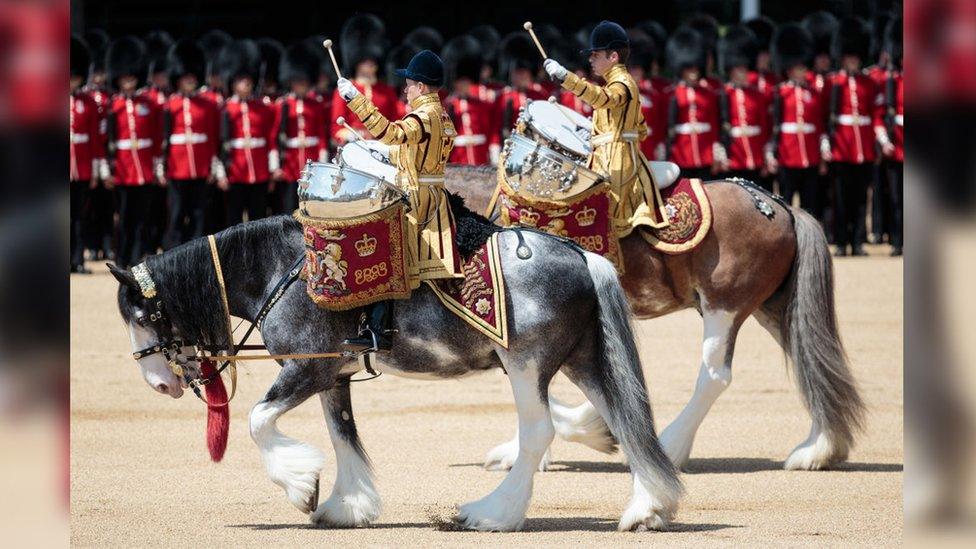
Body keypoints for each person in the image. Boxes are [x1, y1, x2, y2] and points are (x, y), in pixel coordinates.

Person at [336, 49, 462, 352]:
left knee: (381, 249)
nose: (405, 88)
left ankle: (378, 329)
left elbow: (391, 133)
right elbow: (412, 151)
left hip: (415, 199)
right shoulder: (441, 116)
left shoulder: (425, 115)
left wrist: (356, 100)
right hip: (429, 192)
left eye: (409, 83)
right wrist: (373, 149)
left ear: (420, 86)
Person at [544, 20, 669, 236]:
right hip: (608, 154)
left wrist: (566, 77)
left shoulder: (622, 83)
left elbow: (603, 99)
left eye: (596, 55)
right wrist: (597, 134)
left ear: (613, 57)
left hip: (617, 161)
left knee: (608, 220)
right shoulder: (617, 82)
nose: (590, 59)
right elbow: (640, 128)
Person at [104, 36, 163, 269]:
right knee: (124, 217)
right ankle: (122, 256)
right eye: (124, 79)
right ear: (118, 80)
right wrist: (107, 169)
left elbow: (156, 136)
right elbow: (106, 140)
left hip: (144, 168)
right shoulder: (114, 106)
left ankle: (138, 255)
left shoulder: (147, 103)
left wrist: (157, 165)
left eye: (131, 78)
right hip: (123, 169)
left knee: (142, 217)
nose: (128, 82)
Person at [828, 17, 881, 257]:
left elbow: (876, 113)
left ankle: (858, 241)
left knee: (861, 200)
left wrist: (879, 137)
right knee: (840, 199)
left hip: (864, 148)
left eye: (855, 57)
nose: (852, 61)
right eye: (848, 57)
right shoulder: (833, 83)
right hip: (842, 147)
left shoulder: (868, 83)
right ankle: (841, 242)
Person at [160, 39, 220, 248]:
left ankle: (197, 251)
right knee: (176, 214)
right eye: (186, 78)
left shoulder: (207, 105)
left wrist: (213, 165)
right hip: (177, 168)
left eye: (192, 77)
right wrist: (162, 166)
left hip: (201, 167)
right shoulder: (170, 105)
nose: (190, 81)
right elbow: (165, 139)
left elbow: (212, 137)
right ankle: (172, 250)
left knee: (199, 214)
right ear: (177, 79)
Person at [766, 23, 829, 218]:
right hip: (787, 154)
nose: (800, 71)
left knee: (809, 201)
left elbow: (818, 125)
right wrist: (771, 153)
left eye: (802, 67)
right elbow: (773, 125)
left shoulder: (813, 93)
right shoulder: (780, 93)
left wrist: (821, 153)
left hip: (809, 155)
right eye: (796, 67)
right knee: (785, 201)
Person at [218, 39, 278, 225]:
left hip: (259, 171)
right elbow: (220, 142)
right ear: (233, 83)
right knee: (234, 219)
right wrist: (221, 172)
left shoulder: (262, 107)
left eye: (248, 80)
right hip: (236, 171)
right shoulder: (226, 109)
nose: (246, 83)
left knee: (258, 218)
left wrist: (272, 167)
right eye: (241, 80)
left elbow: (270, 139)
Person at [273, 42, 329, 214]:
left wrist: (323, 163)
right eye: (298, 82)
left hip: (311, 160)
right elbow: (274, 137)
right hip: (290, 164)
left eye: (304, 82)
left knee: (312, 206)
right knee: (289, 206)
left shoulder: (316, 104)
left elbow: (321, 136)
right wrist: (275, 166)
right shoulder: (283, 105)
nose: (302, 86)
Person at [330, 14, 399, 147]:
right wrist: (352, 135)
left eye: (372, 59)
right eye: (366, 60)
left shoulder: (387, 91)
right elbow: (336, 129)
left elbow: (395, 122)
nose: (371, 62)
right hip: (355, 147)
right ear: (357, 61)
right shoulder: (345, 90)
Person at [665, 26, 723, 180]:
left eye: (696, 68)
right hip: (682, 152)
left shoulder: (709, 93)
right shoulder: (673, 93)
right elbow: (669, 127)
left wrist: (716, 149)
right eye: (689, 68)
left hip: (705, 151)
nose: (694, 72)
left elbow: (714, 124)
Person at [717, 25, 771, 187]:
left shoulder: (756, 95)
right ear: (731, 71)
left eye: (745, 69)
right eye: (739, 70)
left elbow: (763, 126)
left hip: (755, 155)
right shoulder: (723, 94)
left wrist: (765, 156)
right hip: (734, 155)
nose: (744, 73)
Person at [70, 36, 105, 274]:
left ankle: (77, 259)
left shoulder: (88, 103)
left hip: (82, 167)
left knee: (79, 217)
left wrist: (95, 170)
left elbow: (94, 139)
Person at [442, 35, 497, 165]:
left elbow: (490, 131)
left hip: (481, 159)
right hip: (458, 160)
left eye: (466, 82)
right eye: (460, 82)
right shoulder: (448, 106)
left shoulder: (483, 105)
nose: (463, 86)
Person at [877, 16, 903, 256]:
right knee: (896, 198)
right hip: (897, 147)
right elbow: (880, 114)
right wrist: (884, 140)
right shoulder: (892, 83)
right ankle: (897, 240)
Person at [497, 32, 549, 144]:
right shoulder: (504, 96)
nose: (521, 77)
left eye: (524, 73)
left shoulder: (540, 94)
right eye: (518, 73)